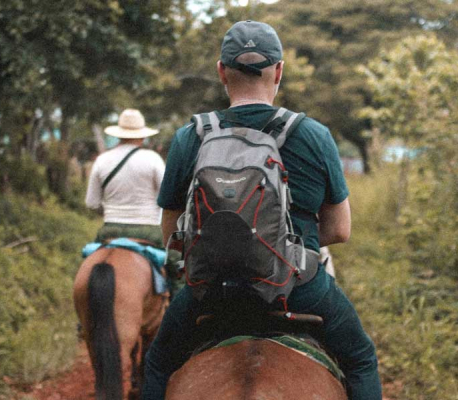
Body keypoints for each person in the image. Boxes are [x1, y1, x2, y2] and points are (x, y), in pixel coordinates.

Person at [143, 21, 382, 400]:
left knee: (156, 364)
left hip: (210, 291)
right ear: (279, 70)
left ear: (222, 71)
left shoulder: (191, 135)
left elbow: (171, 233)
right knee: (361, 358)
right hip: (299, 288)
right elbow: (340, 230)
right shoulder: (313, 135)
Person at [85, 108, 165, 248]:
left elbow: (92, 203)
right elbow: (167, 196)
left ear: (118, 135)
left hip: (110, 230)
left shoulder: (102, 160)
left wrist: (112, 212)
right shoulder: (153, 159)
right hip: (148, 230)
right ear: (143, 136)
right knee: (175, 263)